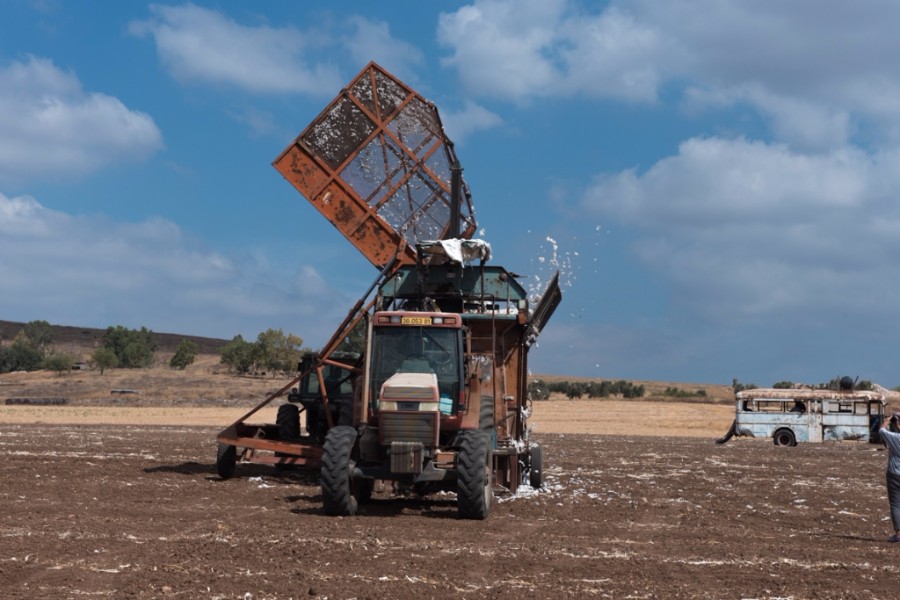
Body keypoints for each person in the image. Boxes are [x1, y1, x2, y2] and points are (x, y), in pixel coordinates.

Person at [879, 412, 900, 543]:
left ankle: (898, 534)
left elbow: (881, 431)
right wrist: (897, 424)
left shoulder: (895, 437)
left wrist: (887, 421)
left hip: (894, 473)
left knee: (896, 504)